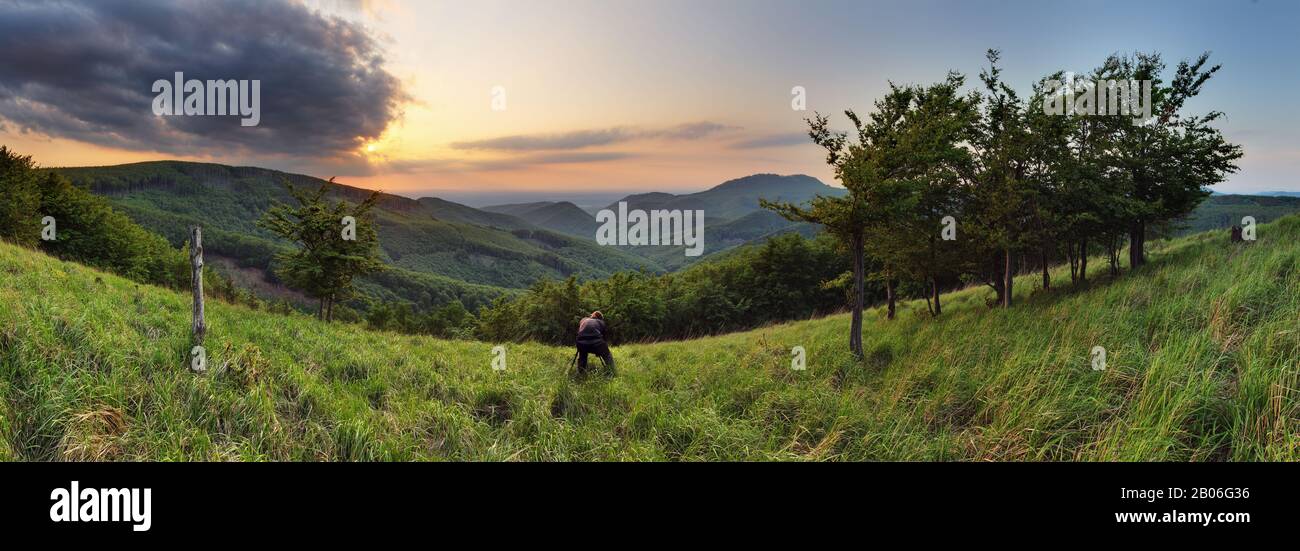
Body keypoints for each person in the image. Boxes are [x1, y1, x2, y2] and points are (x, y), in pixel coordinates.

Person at [575, 311, 614, 376]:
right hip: (597, 343)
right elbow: (604, 337)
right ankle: (612, 373)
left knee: (582, 355)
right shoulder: (601, 322)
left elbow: (579, 331)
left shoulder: (583, 320)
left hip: (581, 343)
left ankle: (581, 373)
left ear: (592, 316)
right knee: (607, 355)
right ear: (600, 318)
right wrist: (601, 350)